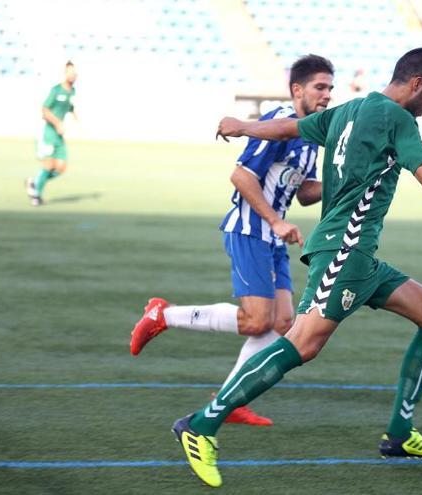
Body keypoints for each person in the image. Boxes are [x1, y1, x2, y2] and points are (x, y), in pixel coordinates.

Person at [172, 47, 422, 488]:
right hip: (344, 252)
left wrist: (244, 126)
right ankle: (204, 424)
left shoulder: (349, 110)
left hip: (360, 257)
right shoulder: (396, 118)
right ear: (417, 83)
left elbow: (290, 127)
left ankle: (400, 434)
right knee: (303, 344)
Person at [130, 55, 335, 426]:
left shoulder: (310, 136)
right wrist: (274, 221)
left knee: (282, 322)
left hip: (271, 236)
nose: (327, 95)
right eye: (320, 87)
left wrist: (345, 182)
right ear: (297, 89)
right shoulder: (278, 123)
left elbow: (303, 192)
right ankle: (164, 314)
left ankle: (230, 399)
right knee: (257, 321)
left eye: (330, 89)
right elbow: (241, 176)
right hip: (249, 229)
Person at [25, 61, 77, 206]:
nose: (72, 74)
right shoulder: (56, 91)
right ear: (65, 73)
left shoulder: (72, 91)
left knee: (61, 167)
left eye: (74, 72)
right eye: (70, 71)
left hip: (59, 135)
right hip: (48, 132)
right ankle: (36, 196)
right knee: (48, 164)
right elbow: (45, 110)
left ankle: (34, 183)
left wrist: (77, 119)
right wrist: (57, 123)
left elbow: (70, 106)